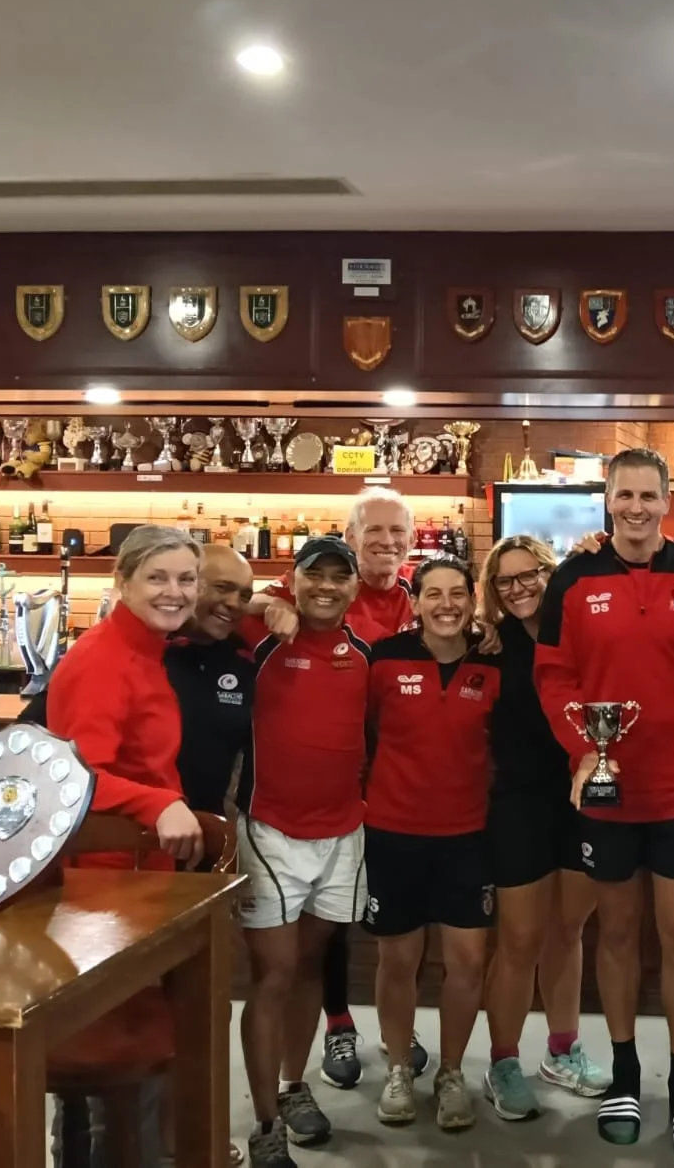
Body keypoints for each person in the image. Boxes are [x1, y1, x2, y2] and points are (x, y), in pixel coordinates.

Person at [534, 447, 674, 1159]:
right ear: (607, 501)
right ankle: (622, 1073)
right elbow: (553, 674)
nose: (637, 508)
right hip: (607, 790)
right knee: (614, 936)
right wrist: (582, 748)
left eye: (650, 495)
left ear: (667, 500)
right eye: (625, 496)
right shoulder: (574, 578)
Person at [44, 526, 210, 1165]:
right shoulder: (103, 659)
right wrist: (158, 801)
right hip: (103, 884)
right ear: (122, 582)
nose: (174, 592)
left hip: (140, 877)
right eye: (158, 579)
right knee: (106, 1050)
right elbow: (79, 775)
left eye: (185, 579)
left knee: (139, 1044)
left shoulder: (145, 645)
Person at [253, 486, 419, 1089]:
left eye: (398, 534)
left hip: (386, 788)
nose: (388, 544)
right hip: (302, 802)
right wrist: (264, 605)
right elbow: (237, 604)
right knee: (314, 936)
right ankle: (338, 1022)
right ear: (351, 538)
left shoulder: (418, 600)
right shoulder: (305, 595)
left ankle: (399, 1030)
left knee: (367, 915)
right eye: (375, 533)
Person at [236, 537, 373, 1168]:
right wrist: (264, 601)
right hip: (271, 832)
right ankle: (265, 1126)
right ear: (292, 579)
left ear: (353, 585)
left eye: (337, 577)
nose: (325, 586)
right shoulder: (259, 637)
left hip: (343, 833)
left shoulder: (366, 650)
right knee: (275, 973)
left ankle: (293, 1087)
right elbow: (212, 597)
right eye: (311, 575)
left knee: (313, 964)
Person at [362, 556, 501, 1130]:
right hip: (393, 834)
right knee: (399, 958)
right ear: (413, 602)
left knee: (467, 962)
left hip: (468, 837)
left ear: (473, 601)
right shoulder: (384, 659)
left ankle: (449, 1073)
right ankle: (398, 1067)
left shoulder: (495, 662)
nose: (446, 604)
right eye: (433, 594)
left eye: (457, 594)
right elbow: (363, 732)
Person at [479, 534, 610, 1122]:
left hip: (581, 798)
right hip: (518, 805)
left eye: (529, 574)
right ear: (493, 591)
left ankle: (562, 1050)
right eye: (505, 581)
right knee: (520, 940)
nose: (519, 587)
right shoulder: (487, 644)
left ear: (549, 573)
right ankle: (503, 1060)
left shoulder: (579, 632)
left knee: (568, 930)